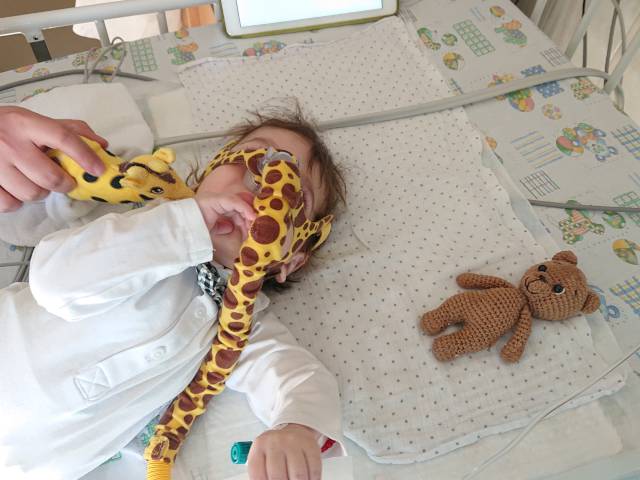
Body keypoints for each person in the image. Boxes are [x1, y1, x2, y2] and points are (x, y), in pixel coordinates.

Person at [0, 106, 347, 480]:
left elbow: (297, 377)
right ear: (207, 176)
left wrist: (297, 428)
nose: (263, 186)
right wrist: (187, 223)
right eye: (252, 157)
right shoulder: (143, 225)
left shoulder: (243, 324)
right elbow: (54, 282)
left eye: (294, 195)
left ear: (290, 261)